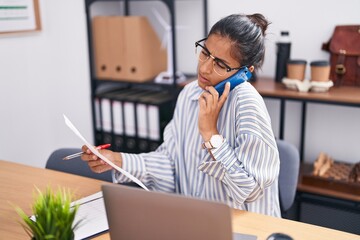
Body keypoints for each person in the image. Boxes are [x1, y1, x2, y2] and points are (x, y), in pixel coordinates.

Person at [82, 13, 281, 217]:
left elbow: (250, 190)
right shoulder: (190, 94)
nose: (204, 68)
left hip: (245, 228)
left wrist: (211, 135)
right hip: (196, 221)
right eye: (205, 53)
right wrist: (117, 160)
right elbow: (171, 165)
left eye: (221, 64)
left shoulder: (247, 103)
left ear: (245, 72)